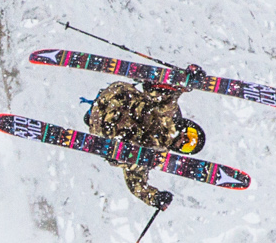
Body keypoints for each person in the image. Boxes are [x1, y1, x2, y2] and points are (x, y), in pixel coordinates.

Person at [84, 67, 205, 210]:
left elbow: (136, 184)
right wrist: (184, 81)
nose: (184, 140)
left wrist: (154, 198)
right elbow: (167, 103)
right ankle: (163, 86)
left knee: (142, 159)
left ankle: (117, 150)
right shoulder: (169, 118)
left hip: (103, 126)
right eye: (190, 135)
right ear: (186, 125)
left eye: (188, 145)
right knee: (162, 116)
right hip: (119, 98)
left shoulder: (154, 155)